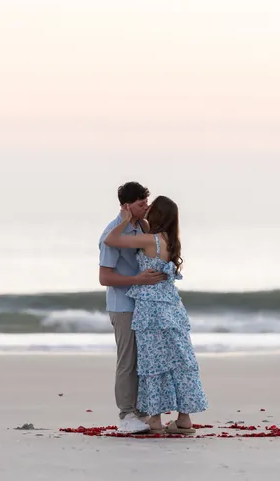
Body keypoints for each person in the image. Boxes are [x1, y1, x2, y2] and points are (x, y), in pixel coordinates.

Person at [103, 195, 208, 435]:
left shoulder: (150, 240)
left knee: (153, 362)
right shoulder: (170, 241)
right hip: (172, 306)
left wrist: (125, 219)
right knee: (179, 360)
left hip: (151, 309)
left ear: (157, 215)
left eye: (152, 208)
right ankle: (184, 419)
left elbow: (111, 240)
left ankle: (155, 418)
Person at [98, 182, 166, 434]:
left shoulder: (142, 226)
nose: (146, 207)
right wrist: (137, 280)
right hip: (123, 305)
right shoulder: (111, 235)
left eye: (146, 202)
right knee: (127, 360)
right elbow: (105, 278)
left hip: (143, 304)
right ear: (127, 206)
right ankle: (126, 414)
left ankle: (140, 412)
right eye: (141, 204)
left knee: (143, 359)